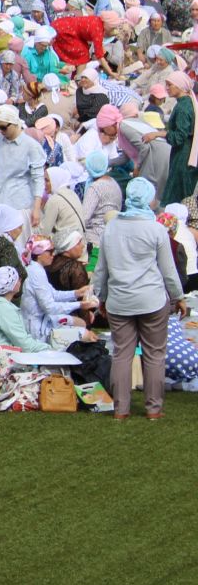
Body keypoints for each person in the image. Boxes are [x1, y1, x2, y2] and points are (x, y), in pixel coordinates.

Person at [93, 178, 184, 420]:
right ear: (148, 199)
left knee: (121, 354)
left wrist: (101, 296)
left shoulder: (112, 227)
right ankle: (154, 408)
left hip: (119, 300)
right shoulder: (156, 229)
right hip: (151, 300)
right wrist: (178, 297)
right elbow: (169, 270)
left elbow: (101, 269)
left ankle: (120, 409)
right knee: (155, 354)